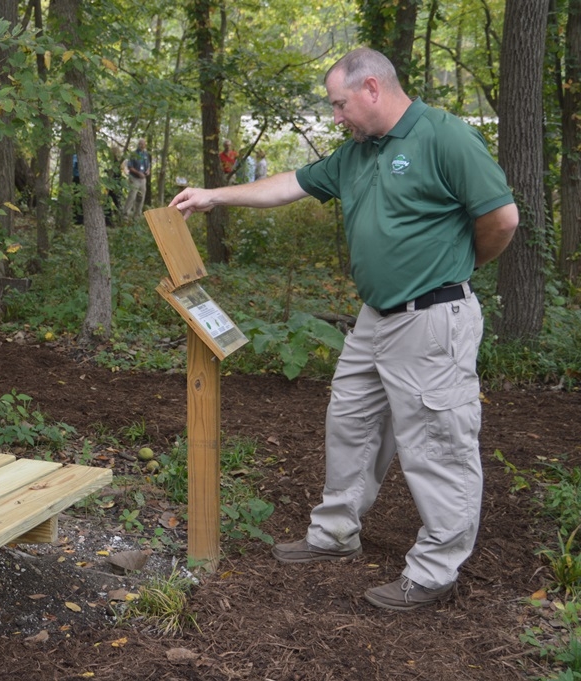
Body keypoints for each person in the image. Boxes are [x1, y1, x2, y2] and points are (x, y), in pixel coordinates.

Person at [170, 47, 518, 611]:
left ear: (373, 88)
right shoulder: (359, 152)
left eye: (339, 104)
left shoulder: (445, 137)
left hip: (432, 321)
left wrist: (457, 269)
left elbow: (501, 218)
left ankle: (435, 570)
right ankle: (335, 534)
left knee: (437, 444)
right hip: (374, 319)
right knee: (350, 422)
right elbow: (288, 185)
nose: (336, 117)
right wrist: (215, 196)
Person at [123, 138, 152, 221]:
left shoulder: (146, 154)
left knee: (141, 197)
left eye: (143, 144)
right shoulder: (133, 154)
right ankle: (126, 214)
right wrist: (138, 173)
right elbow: (130, 167)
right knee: (132, 196)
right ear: (138, 144)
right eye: (140, 144)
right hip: (134, 178)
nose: (142, 145)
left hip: (143, 179)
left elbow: (148, 165)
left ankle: (137, 215)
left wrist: (148, 171)